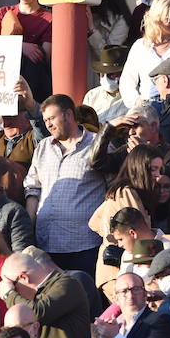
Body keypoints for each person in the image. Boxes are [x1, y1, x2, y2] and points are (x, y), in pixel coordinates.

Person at [23, 94, 107, 273]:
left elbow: (113, 188)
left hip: (83, 245)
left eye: (52, 118)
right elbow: (33, 188)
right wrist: (29, 229)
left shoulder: (96, 144)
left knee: (83, 296)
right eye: (45, 120)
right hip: (46, 243)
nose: (48, 124)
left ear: (68, 115)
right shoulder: (43, 147)